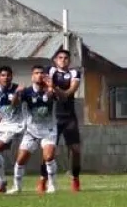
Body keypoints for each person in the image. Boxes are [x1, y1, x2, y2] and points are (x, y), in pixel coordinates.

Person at [11, 65, 59, 194]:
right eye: (36, 73)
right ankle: (17, 187)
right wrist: (16, 93)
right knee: (20, 159)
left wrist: (51, 87)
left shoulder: (51, 90)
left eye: (42, 73)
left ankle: (52, 185)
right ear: (32, 76)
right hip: (31, 131)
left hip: (48, 130)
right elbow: (13, 105)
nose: (39, 75)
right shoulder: (26, 92)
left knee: (48, 156)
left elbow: (54, 98)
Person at [0, 65, 25, 194]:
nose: (6, 78)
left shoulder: (17, 89)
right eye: (3, 75)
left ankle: (1, 182)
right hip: (0, 126)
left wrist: (17, 93)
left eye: (8, 75)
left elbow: (14, 105)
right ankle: (1, 182)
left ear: (11, 76)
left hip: (14, 126)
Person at [49, 48, 83, 191]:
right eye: (60, 58)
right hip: (53, 117)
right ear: (55, 60)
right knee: (49, 150)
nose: (63, 60)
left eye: (66, 58)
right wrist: (51, 89)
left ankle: (75, 178)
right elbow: (48, 90)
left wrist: (54, 88)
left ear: (69, 61)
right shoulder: (50, 71)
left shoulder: (74, 73)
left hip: (69, 117)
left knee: (75, 150)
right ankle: (44, 179)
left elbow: (68, 93)